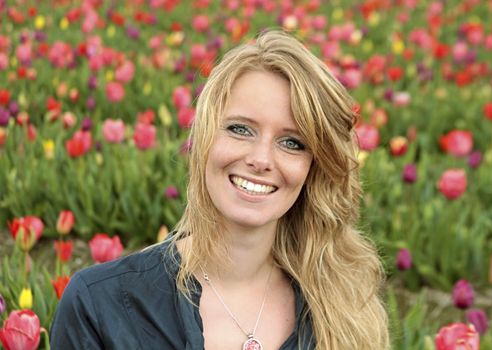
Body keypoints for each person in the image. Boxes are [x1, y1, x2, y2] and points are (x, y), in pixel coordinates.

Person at [50, 30, 389, 349]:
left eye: (292, 142)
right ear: (205, 139)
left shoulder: (345, 308)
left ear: (315, 166)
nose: (260, 159)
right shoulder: (100, 305)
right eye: (240, 129)